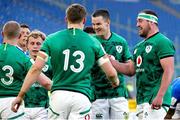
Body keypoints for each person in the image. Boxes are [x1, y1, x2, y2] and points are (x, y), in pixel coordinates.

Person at [11, 3, 119, 120]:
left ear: (66, 19)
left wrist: (20, 95)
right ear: (84, 20)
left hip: (59, 96)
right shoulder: (94, 42)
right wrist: (115, 81)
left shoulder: (51, 39)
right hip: (81, 97)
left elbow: (35, 69)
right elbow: (111, 73)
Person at [109, 9, 175, 120]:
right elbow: (130, 70)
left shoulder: (162, 42)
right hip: (141, 102)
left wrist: (160, 96)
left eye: (140, 21)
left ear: (151, 22)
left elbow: (169, 70)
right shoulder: (138, 47)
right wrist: (111, 62)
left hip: (156, 102)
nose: (137, 25)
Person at [0, 21, 51, 119]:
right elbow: (45, 82)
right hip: (12, 103)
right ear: (19, 36)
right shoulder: (23, 58)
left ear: (2, 34)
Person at [90, 9, 132, 119]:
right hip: (97, 96)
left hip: (118, 95)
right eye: (93, 24)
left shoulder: (121, 41)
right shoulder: (91, 41)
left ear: (108, 23)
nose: (95, 27)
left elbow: (129, 67)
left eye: (98, 24)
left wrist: (114, 63)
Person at [23, 30, 52, 120]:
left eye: (38, 43)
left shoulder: (50, 63)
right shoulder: (21, 62)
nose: (35, 46)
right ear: (27, 46)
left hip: (43, 108)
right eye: (32, 43)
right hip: (23, 107)